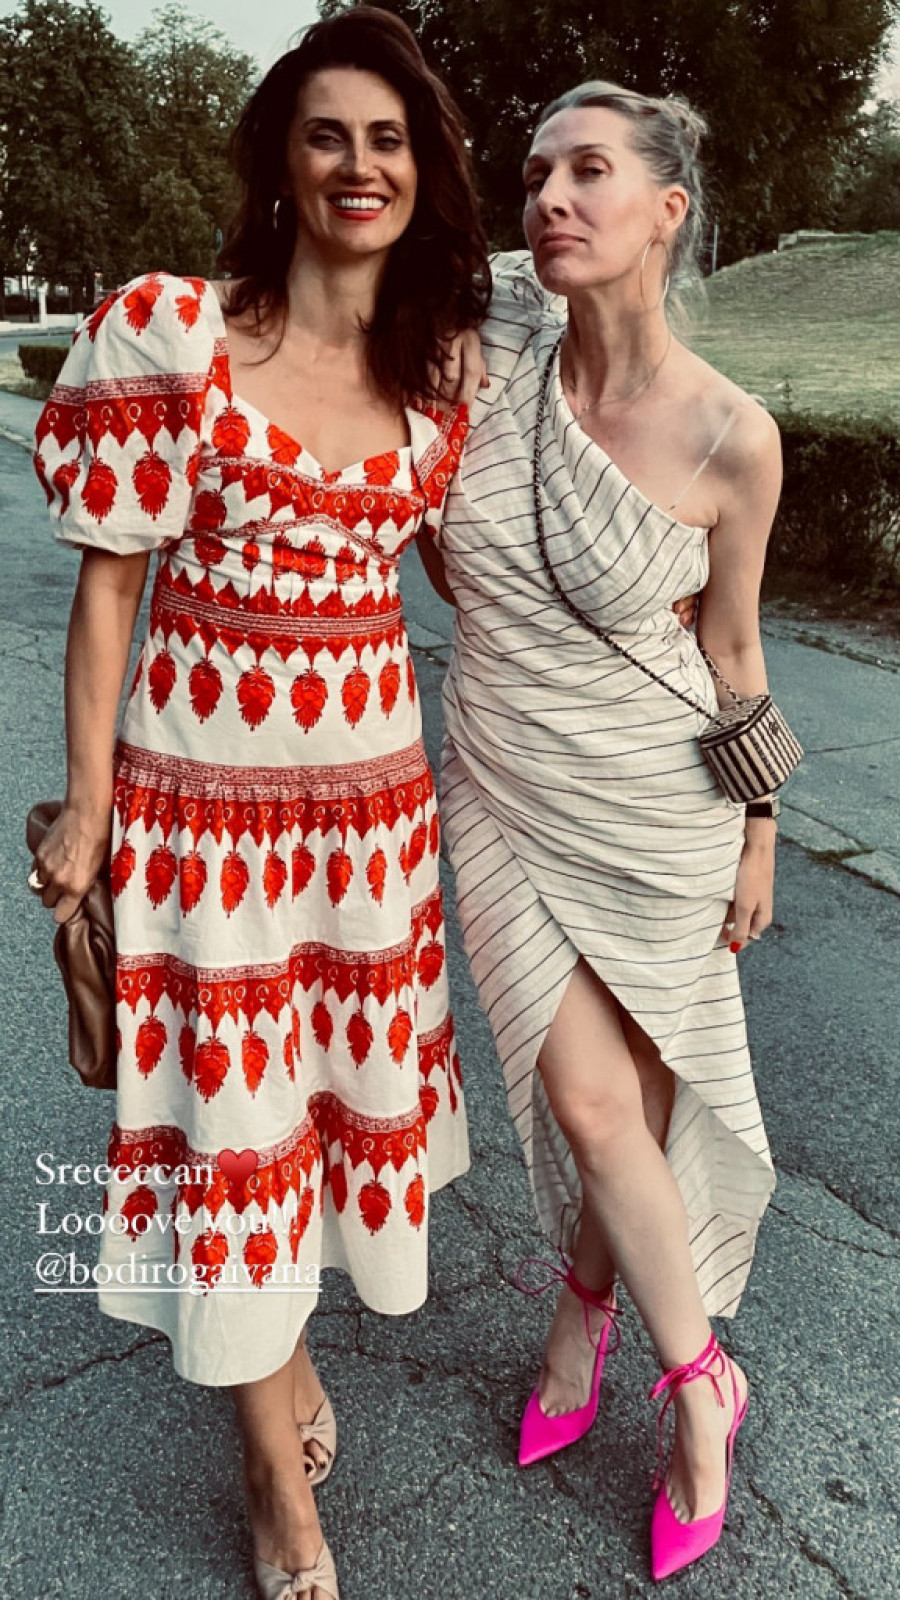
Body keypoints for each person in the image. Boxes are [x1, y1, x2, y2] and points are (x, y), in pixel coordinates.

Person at [29, 10, 489, 1598]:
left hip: (371, 831)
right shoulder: (174, 336)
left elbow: (491, 586)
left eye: (390, 139)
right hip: (205, 828)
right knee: (234, 1133)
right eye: (326, 134)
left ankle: (283, 1356)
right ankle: (271, 1482)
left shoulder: (443, 378)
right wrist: (86, 806)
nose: (361, 165)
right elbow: (108, 593)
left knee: (318, 1125)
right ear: (281, 163)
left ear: (423, 171)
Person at [434, 82, 781, 1582]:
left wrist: (760, 833)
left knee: (618, 1109)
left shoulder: (732, 435)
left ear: (666, 211)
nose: (551, 198)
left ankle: (586, 1325)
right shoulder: (485, 345)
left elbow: (737, 653)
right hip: (504, 780)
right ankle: (705, 1390)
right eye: (535, 175)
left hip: (661, 811)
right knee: (587, 1100)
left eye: (589, 171)